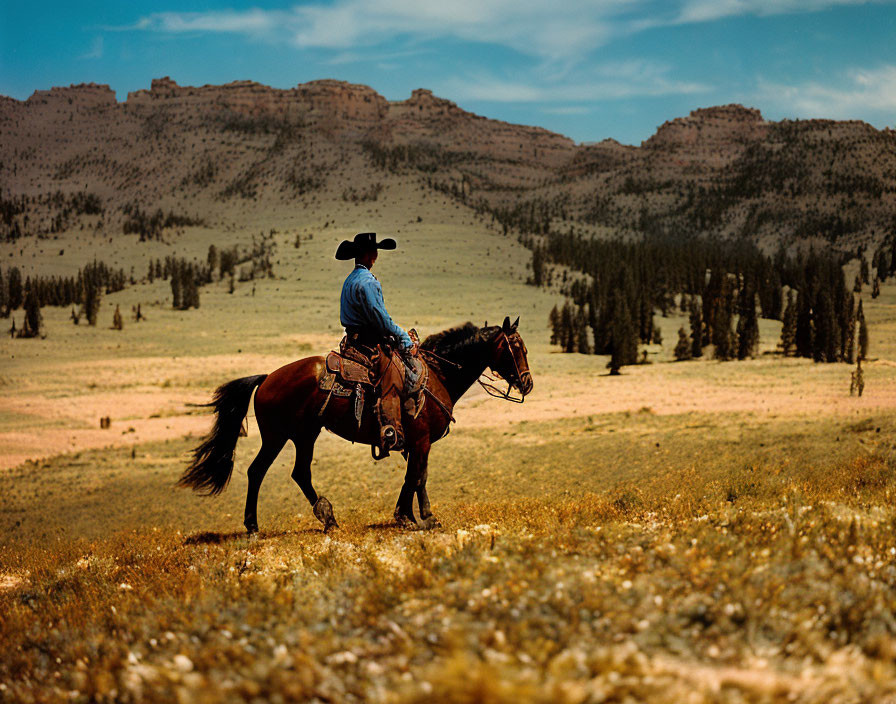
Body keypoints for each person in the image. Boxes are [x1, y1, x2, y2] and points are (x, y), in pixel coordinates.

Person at [335, 232, 417, 453]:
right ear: (371, 255)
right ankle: (391, 432)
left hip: (352, 341)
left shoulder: (350, 279)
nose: (376, 255)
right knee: (393, 376)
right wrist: (403, 337)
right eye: (375, 251)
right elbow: (380, 318)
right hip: (368, 344)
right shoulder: (367, 282)